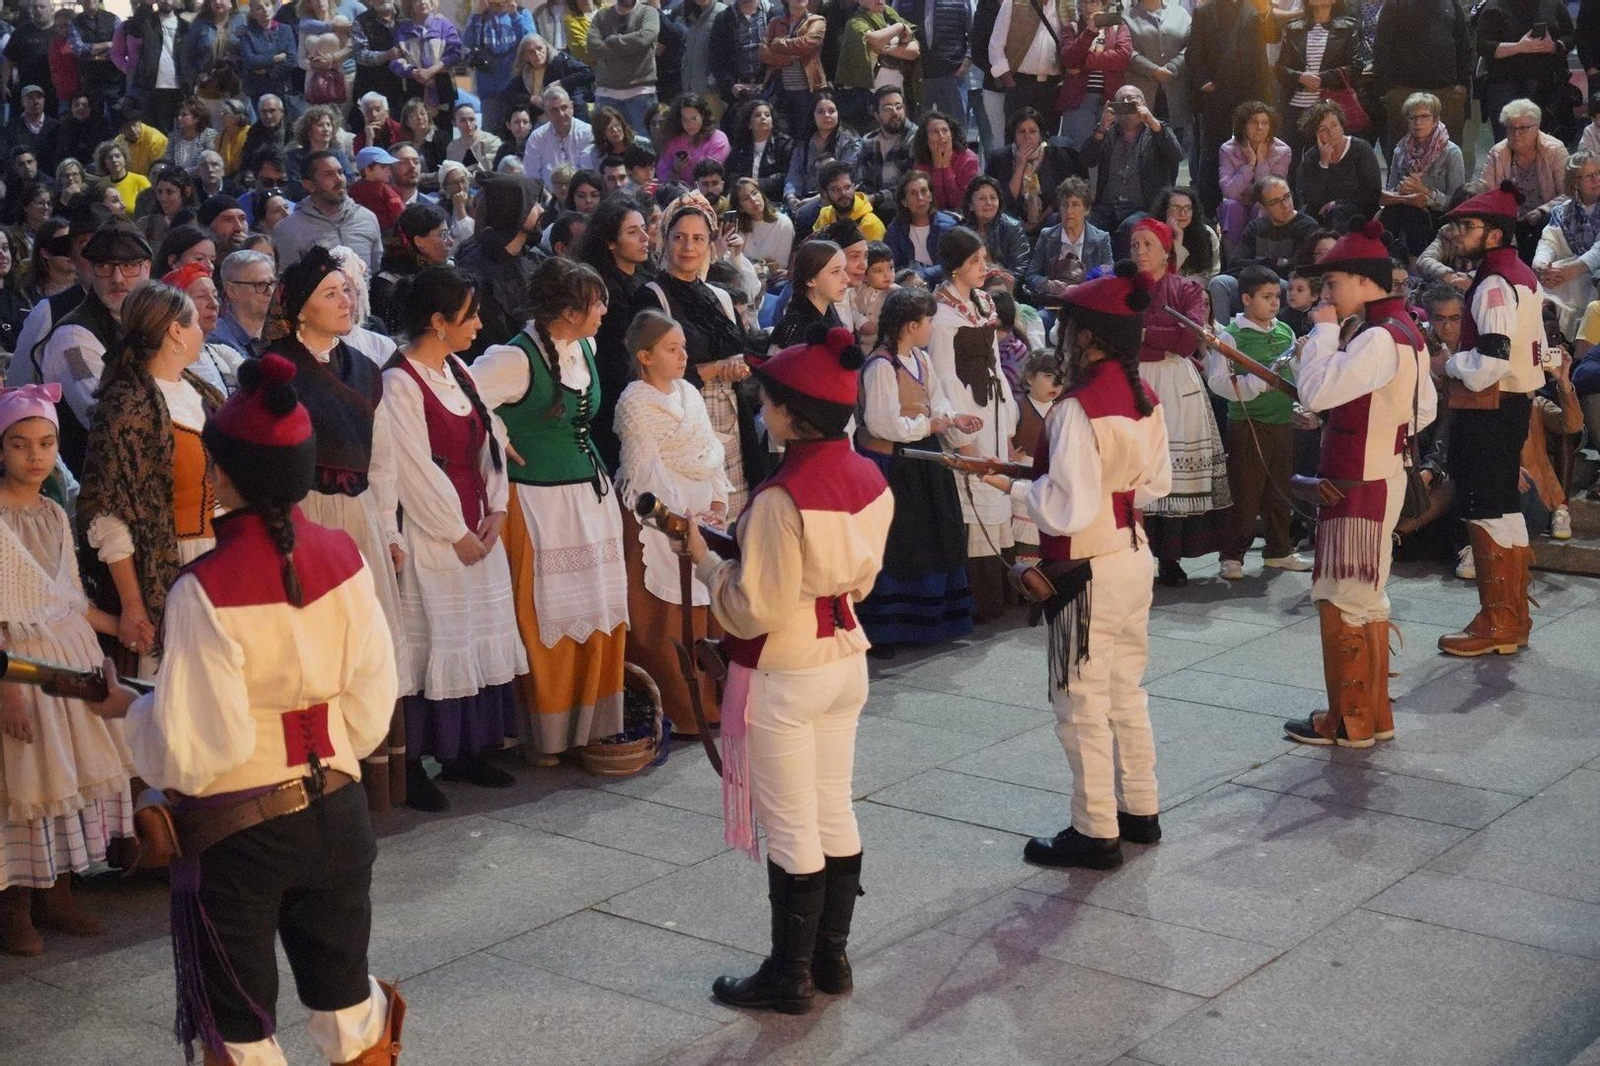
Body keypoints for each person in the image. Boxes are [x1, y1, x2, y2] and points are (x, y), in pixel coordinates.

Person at [88, 351, 404, 1066]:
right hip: (340, 810)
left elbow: (199, 748)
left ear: (222, 474)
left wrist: (130, 713)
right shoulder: (344, 557)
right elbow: (371, 700)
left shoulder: (204, 586)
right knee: (347, 1006)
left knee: (241, 1028)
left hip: (244, 831)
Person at [676, 324, 891, 1016]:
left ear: (794, 413)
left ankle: (788, 976)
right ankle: (831, 961)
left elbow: (752, 609)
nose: (762, 411)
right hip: (845, 655)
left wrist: (708, 563)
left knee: (793, 823)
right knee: (834, 807)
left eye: (768, 403)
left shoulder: (779, 497)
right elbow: (858, 582)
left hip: (786, 668)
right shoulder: (869, 476)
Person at [1011, 259, 1170, 869]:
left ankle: (1095, 828)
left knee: (1079, 701)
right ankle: (1141, 810)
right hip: (1133, 553)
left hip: (1087, 565)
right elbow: (1156, 483)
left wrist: (1019, 489)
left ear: (1086, 336)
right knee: (1126, 690)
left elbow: (1064, 508)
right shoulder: (1145, 397)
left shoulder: (1075, 408)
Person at [258, 246, 411, 809]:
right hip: (303, 519)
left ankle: (368, 781)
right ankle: (314, 780)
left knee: (365, 645)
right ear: (298, 310)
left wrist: (390, 532)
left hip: (360, 520)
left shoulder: (364, 369)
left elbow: (384, 458)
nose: (346, 300)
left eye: (347, 290)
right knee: (315, 650)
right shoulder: (273, 370)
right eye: (330, 293)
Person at [471, 256, 630, 760]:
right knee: (544, 617)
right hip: (538, 504)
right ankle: (548, 732)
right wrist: (496, 435)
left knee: (599, 609)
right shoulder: (514, 359)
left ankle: (594, 723)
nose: (604, 310)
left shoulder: (586, 345)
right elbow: (460, 399)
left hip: (590, 498)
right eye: (594, 302)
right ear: (565, 311)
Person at [1284, 220, 1434, 749]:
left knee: (1341, 596)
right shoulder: (1407, 331)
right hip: (1383, 474)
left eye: (1333, 284)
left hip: (1358, 481)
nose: (1326, 296)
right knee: (1368, 597)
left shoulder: (1373, 337)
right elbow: (1426, 409)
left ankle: (1348, 723)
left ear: (1364, 281)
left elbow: (1318, 390)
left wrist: (1324, 333)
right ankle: (1374, 714)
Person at [380, 266, 525, 811]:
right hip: (432, 533)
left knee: (471, 634)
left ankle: (466, 750)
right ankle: (416, 763)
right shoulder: (399, 382)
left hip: (477, 525)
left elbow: (489, 438)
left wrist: (497, 506)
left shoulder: (459, 369)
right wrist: (455, 532)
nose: (480, 324)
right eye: (470, 316)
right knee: (431, 643)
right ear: (438, 322)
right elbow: (411, 469)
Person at [0, 383, 132, 958]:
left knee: (71, 777)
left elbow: (70, 597)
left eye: (47, 443)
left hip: (70, 659)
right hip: (21, 667)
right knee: (29, 780)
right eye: (20, 444)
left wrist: (122, 623)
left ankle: (60, 891)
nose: (35, 455)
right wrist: (7, 687)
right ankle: (16, 906)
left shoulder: (55, 511)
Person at [77, 279, 225, 679]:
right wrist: (133, 604)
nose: (201, 331)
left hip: (220, 562)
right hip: (166, 570)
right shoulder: (127, 405)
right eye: (193, 322)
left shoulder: (202, 392)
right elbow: (107, 512)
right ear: (176, 331)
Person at [1437, 182, 1546, 659]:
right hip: (1510, 406)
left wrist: (1449, 366)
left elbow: (1492, 360)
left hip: (1491, 407)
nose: (1459, 233)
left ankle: (1498, 621)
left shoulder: (1497, 283)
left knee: (1486, 508)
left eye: (1469, 226)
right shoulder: (1517, 273)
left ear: (1496, 234)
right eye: (1458, 225)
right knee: (1502, 508)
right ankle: (1511, 615)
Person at [612, 309, 729, 735]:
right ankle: (679, 706)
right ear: (645, 356)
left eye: (683, 347)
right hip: (659, 516)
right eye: (672, 349)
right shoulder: (635, 402)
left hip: (700, 510)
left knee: (707, 597)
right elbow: (646, 471)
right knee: (666, 611)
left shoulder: (689, 394)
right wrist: (678, 517)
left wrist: (716, 499)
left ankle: (714, 701)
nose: (683, 356)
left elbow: (708, 447)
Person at [855, 286, 979, 651]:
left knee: (933, 536)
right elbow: (882, 424)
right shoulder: (881, 366)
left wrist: (953, 418)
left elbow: (936, 398)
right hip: (895, 461)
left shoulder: (920, 360)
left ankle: (934, 620)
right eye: (927, 321)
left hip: (923, 458)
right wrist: (930, 425)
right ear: (911, 325)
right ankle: (896, 626)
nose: (930, 327)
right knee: (904, 542)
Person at [634, 200, 758, 516]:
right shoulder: (652, 296)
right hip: (681, 421)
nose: (689, 247)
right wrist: (711, 370)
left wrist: (735, 370)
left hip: (730, 417)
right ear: (666, 239)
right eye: (679, 237)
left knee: (730, 518)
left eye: (698, 238)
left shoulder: (720, 297)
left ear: (709, 243)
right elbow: (646, 370)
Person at [1128, 217, 1229, 587]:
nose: (1140, 252)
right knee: (1137, 466)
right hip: (1134, 380)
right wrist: (1155, 336)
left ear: (1166, 250)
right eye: (1135, 245)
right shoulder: (1124, 288)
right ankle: (1134, 553)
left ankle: (1170, 557)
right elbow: (1118, 336)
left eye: (1148, 244)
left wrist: (1142, 332)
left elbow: (1188, 340)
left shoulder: (1187, 289)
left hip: (1174, 382)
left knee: (1173, 466)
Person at [927, 226, 1018, 621]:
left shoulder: (982, 302)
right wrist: (957, 433)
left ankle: (1004, 586)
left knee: (997, 485)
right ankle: (979, 598)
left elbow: (995, 362)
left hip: (994, 404)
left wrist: (1010, 420)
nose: (984, 267)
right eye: (975, 261)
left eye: (983, 259)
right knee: (976, 488)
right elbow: (943, 376)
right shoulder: (942, 313)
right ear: (956, 267)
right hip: (966, 409)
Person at [1206, 264, 1309, 579]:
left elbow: (1295, 375)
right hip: (1247, 424)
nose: (1275, 302)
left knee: (1279, 490)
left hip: (1281, 422)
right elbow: (1218, 382)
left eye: (1277, 296)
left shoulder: (1285, 331)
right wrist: (1258, 383)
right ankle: (1232, 556)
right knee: (1245, 493)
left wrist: (1303, 360)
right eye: (1267, 297)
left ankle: (1278, 550)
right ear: (1247, 299)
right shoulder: (1230, 336)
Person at [39, 220, 152, 474]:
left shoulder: (159, 321)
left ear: (147, 268)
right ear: (90, 269)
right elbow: (103, 416)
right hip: (102, 479)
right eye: (104, 266)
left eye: (129, 265)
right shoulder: (73, 337)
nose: (117, 278)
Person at [1186, 0, 1271, 214]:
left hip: (1246, 96)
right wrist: (1204, 82)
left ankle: (1248, 206)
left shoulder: (1251, 12)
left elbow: (1260, 57)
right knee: (1212, 151)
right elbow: (1193, 53)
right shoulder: (1204, 12)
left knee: (1248, 150)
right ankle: (1209, 210)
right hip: (1215, 96)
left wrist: (1260, 99)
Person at [455, 173, 545, 361]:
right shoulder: (476, 270)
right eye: (533, 203)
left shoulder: (536, 261)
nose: (541, 210)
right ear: (515, 209)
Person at [1083, 85, 1182, 239]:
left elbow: (1176, 155)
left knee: (1130, 228)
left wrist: (1152, 122)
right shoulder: (1107, 133)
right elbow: (1087, 160)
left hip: (1142, 208)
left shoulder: (1157, 131)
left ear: (1144, 105)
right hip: (1106, 207)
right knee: (1085, 226)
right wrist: (1101, 128)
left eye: (1133, 100)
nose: (1128, 103)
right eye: (1122, 101)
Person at [1479, 99, 1570, 262]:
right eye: (1511, 128)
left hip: (1545, 218)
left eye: (1523, 128)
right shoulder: (1497, 152)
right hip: (1507, 220)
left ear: (1537, 127)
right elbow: (1484, 192)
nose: (1516, 134)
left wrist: (1543, 210)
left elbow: (1569, 193)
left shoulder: (1555, 150)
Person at [1474, 0, 1575, 143]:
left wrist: (1554, 46)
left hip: (1544, 86)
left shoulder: (1553, 4)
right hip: (1504, 85)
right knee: (1509, 140)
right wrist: (1518, 47)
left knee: (1543, 142)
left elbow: (1570, 36)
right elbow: (1483, 46)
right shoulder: (1495, 5)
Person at [275, 150, 385, 276]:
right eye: (329, 175)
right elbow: (287, 283)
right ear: (309, 185)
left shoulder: (367, 218)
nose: (339, 179)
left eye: (340, 172)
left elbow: (375, 269)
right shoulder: (289, 229)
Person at [1274, 0, 1359, 160]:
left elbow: (1355, 67)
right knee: (1292, 163)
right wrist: (1300, 77)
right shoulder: (1294, 28)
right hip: (1295, 108)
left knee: (1327, 160)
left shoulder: (1347, 27)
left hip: (1328, 109)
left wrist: (1323, 79)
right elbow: (1280, 69)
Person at [1535, 152, 1600, 341]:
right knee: (1543, 288)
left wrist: (1574, 269)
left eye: (1598, 172)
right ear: (1574, 183)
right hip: (1564, 273)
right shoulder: (1562, 212)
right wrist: (1541, 266)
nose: (1596, 179)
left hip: (1592, 272)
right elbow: (1548, 242)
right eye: (1589, 175)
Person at [1217, 102, 1293, 256]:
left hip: (1264, 204)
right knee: (1231, 207)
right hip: (1238, 204)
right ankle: (1234, 262)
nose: (1260, 128)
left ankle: (1260, 259)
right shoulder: (1227, 149)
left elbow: (1270, 193)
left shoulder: (1282, 151)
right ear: (1243, 125)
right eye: (1254, 122)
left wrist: (1261, 161)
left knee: (1262, 207)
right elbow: (1229, 192)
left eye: (1265, 123)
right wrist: (1250, 163)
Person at [1056, 0, 1132, 151]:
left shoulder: (1118, 26)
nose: (1088, 7)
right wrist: (1089, 32)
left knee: (1110, 151)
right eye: (1084, 3)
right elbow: (1068, 59)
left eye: (1094, 2)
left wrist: (1085, 61)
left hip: (1110, 98)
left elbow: (1123, 57)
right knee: (1078, 150)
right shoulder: (1072, 28)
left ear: (1103, 4)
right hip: (1079, 98)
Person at [1296, 101, 1383, 227]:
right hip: (1323, 211)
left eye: (1334, 125)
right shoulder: (1312, 156)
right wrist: (1324, 164)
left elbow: (1373, 193)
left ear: (1342, 126)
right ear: (1316, 134)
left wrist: (1337, 203)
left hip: (1358, 210)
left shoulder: (1361, 149)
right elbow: (1311, 198)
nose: (1331, 132)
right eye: (1323, 129)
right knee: (1304, 217)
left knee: (1337, 213)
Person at [163, 261, 244, 396]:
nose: (214, 304)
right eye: (201, 296)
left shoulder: (222, 353)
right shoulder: (163, 365)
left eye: (215, 295)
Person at [1027, 176, 1114, 302]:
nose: (1069, 211)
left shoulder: (1102, 239)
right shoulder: (1046, 236)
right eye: (1064, 205)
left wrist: (1083, 288)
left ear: (1086, 209)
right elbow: (1031, 275)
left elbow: (1109, 277)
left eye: (1075, 205)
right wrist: (1047, 285)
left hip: (1087, 304)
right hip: (1053, 303)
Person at [784, 93, 862, 230]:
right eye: (821, 111)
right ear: (812, 115)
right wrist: (791, 197)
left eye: (831, 111)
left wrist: (813, 200)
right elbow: (793, 175)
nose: (827, 115)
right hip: (803, 199)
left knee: (803, 216)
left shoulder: (851, 141)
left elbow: (846, 177)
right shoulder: (804, 143)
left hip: (835, 198)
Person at [371, 201, 453, 330]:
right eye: (442, 235)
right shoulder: (387, 283)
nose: (450, 241)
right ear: (419, 241)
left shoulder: (451, 271)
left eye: (448, 234)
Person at [987, 0, 1067, 129]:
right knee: (1016, 139)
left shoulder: (1066, 7)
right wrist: (1010, 83)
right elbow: (996, 45)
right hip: (1020, 85)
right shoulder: (1013, 3)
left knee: (1048, 141)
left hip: (1052, 89)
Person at [464, 0, 536, 132]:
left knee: (521, 134)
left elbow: (531, 42)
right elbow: (467, 41)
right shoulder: (480, 15)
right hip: (490, 91)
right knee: (492, 138)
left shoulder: (522, 13)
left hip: (518, 89)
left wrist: (514, 16)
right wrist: (477, 15)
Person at [587, 0, 660, 131]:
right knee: (607, 144)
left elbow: (645, 37)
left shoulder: (648, 13)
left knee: (645, 144)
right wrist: (631, 47)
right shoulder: (601, 16)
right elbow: (592, 46)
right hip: (607, 94)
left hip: (641, 92)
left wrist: (612, 41)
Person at [760, 0, 827, 138]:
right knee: (780, 135)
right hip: (779, 90)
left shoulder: (817, 21)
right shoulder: (775, 22)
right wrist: (786, 59)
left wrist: (778, 43)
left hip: (807, 91)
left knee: (804, 135)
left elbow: (806, 44)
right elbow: (763, 52)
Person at [391, 0, 465, 116]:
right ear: (409, 5)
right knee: (416, 129)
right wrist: (413, 72)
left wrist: (431, 71)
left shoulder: (444, 25)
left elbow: (456, 53)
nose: (422, 2)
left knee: (442, 130)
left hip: (442, 87)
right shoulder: (402, 30)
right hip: (413, 88)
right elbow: (394, 61)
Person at [884, 172, 961, 285]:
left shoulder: (948, 226)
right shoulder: (895, 231)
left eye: (924, 191)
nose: (920, 198)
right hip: (907, 286)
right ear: (904, 202)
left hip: (945, 284)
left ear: (930, 196)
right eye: (913, 193)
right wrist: (907, 276)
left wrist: (921, 275)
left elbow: (952, 263)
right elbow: (889, 266)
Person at [963, 175, 1031, 286]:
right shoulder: (963, 231)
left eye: (993, 198)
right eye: (982, 198)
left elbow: (1021, 268)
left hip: (1005, 289)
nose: (989, 203)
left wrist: (1002, 283)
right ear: (970, 205)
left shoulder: (1012, 227)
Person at [522, 85, 596, 184]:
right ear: (547, 114)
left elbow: (590, 174)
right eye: (554, 110)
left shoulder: (588, 133)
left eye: (564, 107)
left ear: (572, 107)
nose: (561, 114)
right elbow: (531, 176)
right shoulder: (537, 137)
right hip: (546, 196)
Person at [211, 248, 277, 358]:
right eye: (260, 285)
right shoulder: (215, 340)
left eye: (272, 283)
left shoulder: (283, 335)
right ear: (232, 291)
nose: (270, 291)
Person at [911, 111, 980, 216]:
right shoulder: (921, 161)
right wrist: (938, 167)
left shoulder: (969, 159)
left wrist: (946, 167)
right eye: (935, 132)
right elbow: (933, 204)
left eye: (945, 130)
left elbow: (959, 203)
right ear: (926, 137)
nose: (941, 136)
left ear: (951, 134)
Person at [656, 94, 730, 187]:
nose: (690, 124)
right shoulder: (673, 142)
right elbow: (662, 175)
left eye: (694, 119)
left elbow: (711, 174)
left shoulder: (717, 138)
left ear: (702, 116)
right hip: (679, 194)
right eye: (685, 120)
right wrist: (676, 170)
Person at [812, 160, 886, 242]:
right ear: (826, 193)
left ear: (854, 187)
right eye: (836, 189)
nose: (843, 193)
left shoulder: (871, 224)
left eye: (847, 187)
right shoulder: (824, 215)